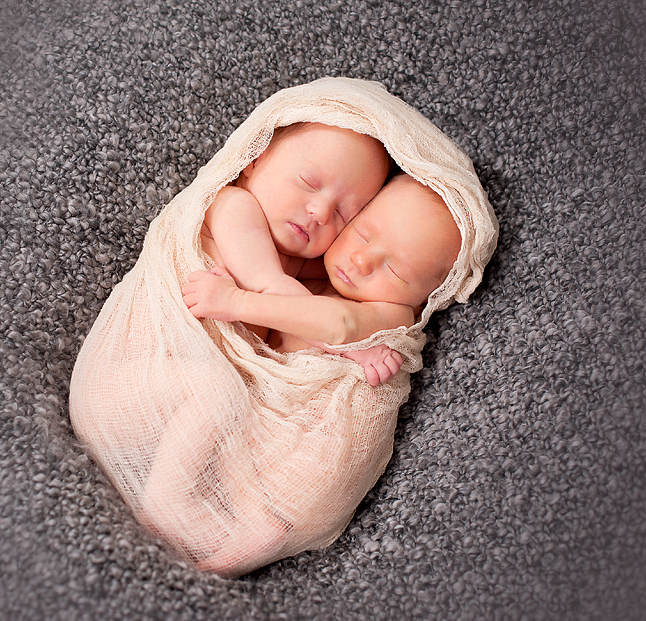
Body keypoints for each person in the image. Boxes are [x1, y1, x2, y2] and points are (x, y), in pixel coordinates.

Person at [145, 174, 460, 575]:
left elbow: (338, 323)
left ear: (423, 300)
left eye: (396, 272)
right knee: (226, 454)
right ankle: (232, 547)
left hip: (316, 444)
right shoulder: (312, 276)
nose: (362, 261)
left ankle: (226, 533)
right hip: (271, 434)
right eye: (362, 234)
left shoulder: (393, 316)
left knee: (235, 456)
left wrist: (237, 300)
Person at [198, 121, 402, 386]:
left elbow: (343, 283)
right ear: (255, 159)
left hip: (216, 373)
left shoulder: (296, 261)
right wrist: (353, 347)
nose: (321, 213)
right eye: (309, 183)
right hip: (177, 350)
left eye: (342, 215)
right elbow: (273, 291)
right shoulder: (232, 205)